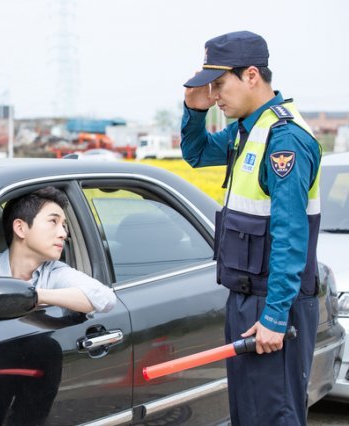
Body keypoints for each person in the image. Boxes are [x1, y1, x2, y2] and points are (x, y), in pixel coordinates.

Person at [181, 31, 321, 425]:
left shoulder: (284, 140)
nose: (215, 96)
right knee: (248, 415)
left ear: (252, 76)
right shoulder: (247, 130)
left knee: (273, 415)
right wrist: (193, 110)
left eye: (220, 84)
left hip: (273, 304)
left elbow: (291, 236)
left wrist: (276, 316)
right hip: (244, 300)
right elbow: (195, 153)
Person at [0, 186, 116, 315]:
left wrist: (34, 296)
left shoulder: (54, 272)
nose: (63, 234)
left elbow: (105, 298)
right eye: (53, 221)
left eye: (64, 225)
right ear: (20, 228)